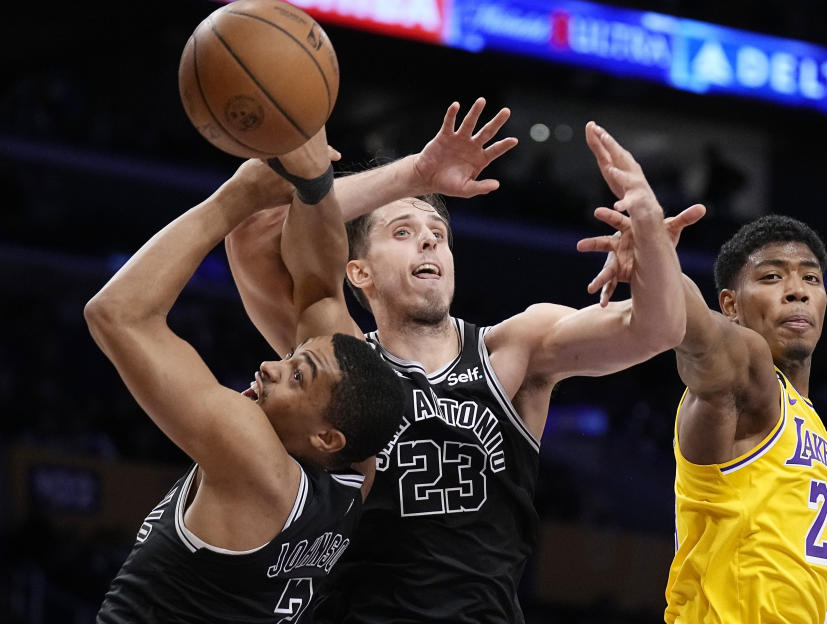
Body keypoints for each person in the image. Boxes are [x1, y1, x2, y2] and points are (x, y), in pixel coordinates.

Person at [226, 99, 704, 623]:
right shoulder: (337, 358)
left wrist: (651, 230)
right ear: (358, 273)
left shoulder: (514, 348)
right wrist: (415, 173)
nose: (429, 238)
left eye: (438, 233)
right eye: (402, 232)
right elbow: (253, 231)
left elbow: (657, 329)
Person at [87, 126, 405, 623]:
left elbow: (117, 313)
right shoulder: (354, 472)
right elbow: (321, 291)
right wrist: (313, 173)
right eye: (292, 359)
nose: (270, 366)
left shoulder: (255, 460)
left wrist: (236, 197)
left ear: (325, 436)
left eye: (297, 376)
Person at [580, 210, 827, 623]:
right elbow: (703, 337)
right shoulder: (748, 384)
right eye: (772, 277)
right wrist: (657, 264)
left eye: (811, 278)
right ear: (730, 305)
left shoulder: (809, 421)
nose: (797, 291)